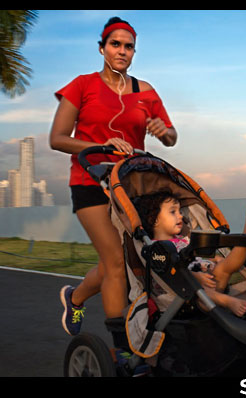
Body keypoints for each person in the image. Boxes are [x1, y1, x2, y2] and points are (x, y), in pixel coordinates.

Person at [50, 17, 178, 336]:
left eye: (129, 46)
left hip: (132, 187)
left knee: (131, 265)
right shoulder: (82, 85)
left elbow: (172, 136)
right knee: (116, 262)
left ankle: (75, 297)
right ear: (102, 48)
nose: (122, 51)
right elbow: (57, 138)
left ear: (134, 52)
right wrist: (101, 145)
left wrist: (165, 132)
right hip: (89, 183)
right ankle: (121, 347)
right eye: (115, 44)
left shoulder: (145, 91)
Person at [135, 191, 246, 317]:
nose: (180, 216)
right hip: (185, 295)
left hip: (208, 284)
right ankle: (226, 300)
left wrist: (213, 260)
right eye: (173, 212)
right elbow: (172, 271)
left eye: (180, 211)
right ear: (155, 220)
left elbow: (194, 257)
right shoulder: (156, 249)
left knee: (224, 267)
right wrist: (196, 276)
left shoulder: (183, 240)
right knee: (197, 289)